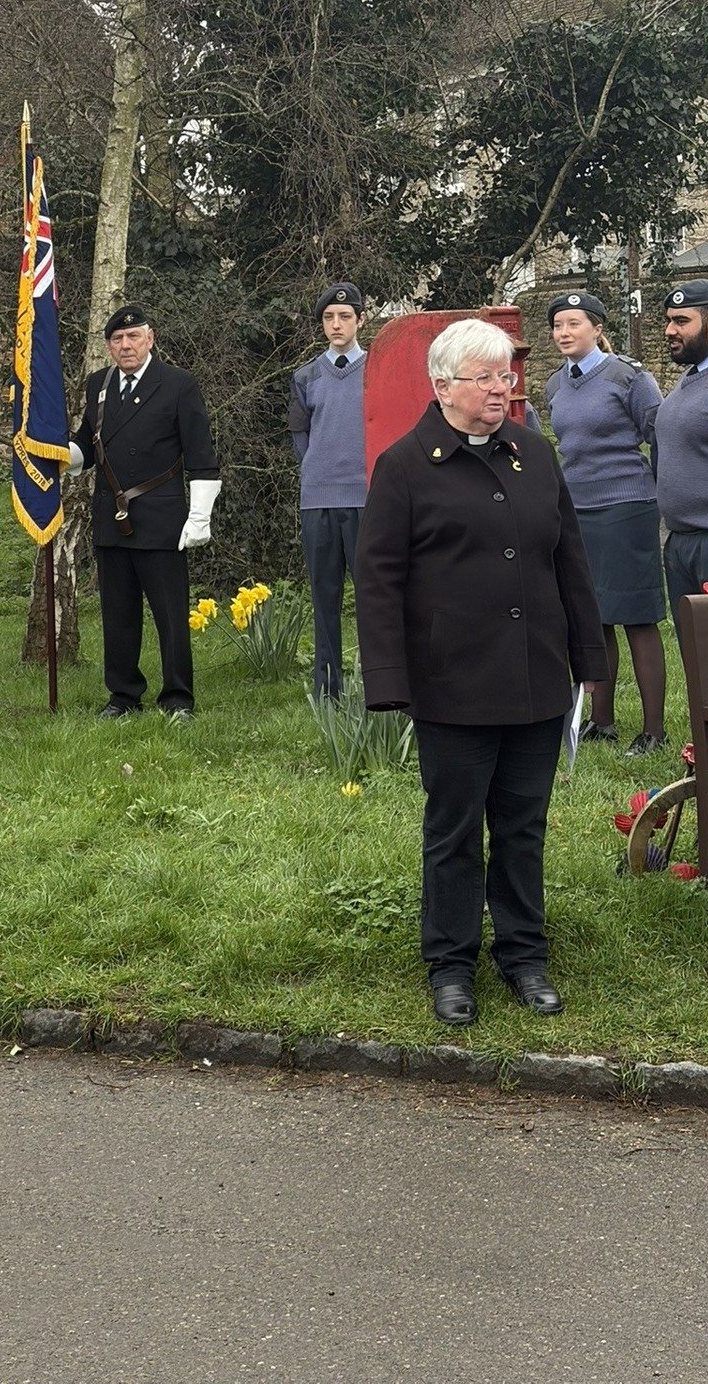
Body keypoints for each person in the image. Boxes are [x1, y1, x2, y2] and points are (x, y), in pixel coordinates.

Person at [355, 318, 606, 1027]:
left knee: (524, 825)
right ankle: (452, 963)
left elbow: (570, 563)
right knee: (455, 829)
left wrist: (589, 660)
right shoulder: (406, 467)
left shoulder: (534, 453)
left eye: (507, 377)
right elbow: (378, 580)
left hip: (534, 680)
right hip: (452, 684)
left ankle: (525, 956)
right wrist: (390, 679)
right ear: (443, 386)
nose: (503, 389)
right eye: (487, 378)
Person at [69, 305, 219, 718]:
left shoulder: (177, 385)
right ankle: (123, 696)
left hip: (162, 519)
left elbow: (201, 455)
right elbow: (87, 447)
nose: (126, 345)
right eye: (117, 339)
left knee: (170, 616)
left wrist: (200, 515)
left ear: (149, 340)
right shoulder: (98, 385)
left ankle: (177, 698)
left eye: (133, 337)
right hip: (112, 519)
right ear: (109, 346)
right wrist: (54, 455)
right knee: (118, 615)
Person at [544, 291, 667, 758]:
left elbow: (661, 436)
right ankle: (602, 720)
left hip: (627, 506)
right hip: (576, 510)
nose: (564, 333)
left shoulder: (628, 377)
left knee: (635, 616)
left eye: (574, 324)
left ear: (597, 328)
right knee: (593, 619)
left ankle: (654, 730)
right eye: (557, 325)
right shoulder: (555, 384)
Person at [287, 282, 367, 700]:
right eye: (329, 318)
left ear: (360, 320)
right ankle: (328, 689)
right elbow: (299, 431)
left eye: (345, 317)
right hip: (318, 500)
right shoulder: (306, 375)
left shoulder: (377, 369)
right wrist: (315, 468)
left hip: (366, 500)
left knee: (373, 597)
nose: (336, 325)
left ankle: (381, 684)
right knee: (325, 598)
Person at [655, 280, 708, 643]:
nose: (669, 330)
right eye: (669, 320)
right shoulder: (692, 377)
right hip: (682, 543)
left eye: (681, 321)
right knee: (700, 665)